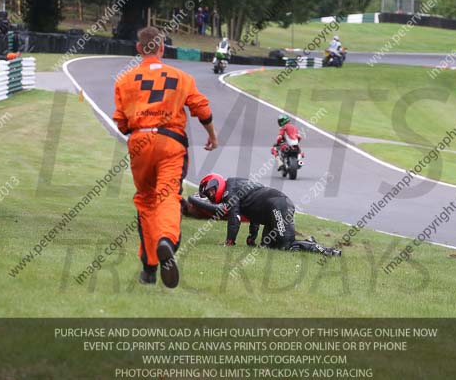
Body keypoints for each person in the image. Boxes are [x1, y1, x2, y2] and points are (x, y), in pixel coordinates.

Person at [113, 26, 218, 288]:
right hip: (170, 142)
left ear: (139, 49)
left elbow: (121, 123)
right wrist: (212, 136)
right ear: (162, 48)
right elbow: (201, 109)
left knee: (146, 201)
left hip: (139, 142)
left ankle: (149, 268)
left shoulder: (124, 80)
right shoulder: (181, 77)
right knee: (168, 195)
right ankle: (167, 241)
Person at [194, 174, 341, 256]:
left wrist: (229, 241)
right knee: (267, 246)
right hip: (272, 211)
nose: (210, 196)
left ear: (216, 184)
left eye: (210, 191)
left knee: (286, 246)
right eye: (208, 195)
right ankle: (308, 241)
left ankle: (328, 251)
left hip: (278, 206)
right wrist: (252, 237)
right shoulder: (235, 185)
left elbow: (235, 218)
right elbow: (254, 212)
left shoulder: (230, 192)